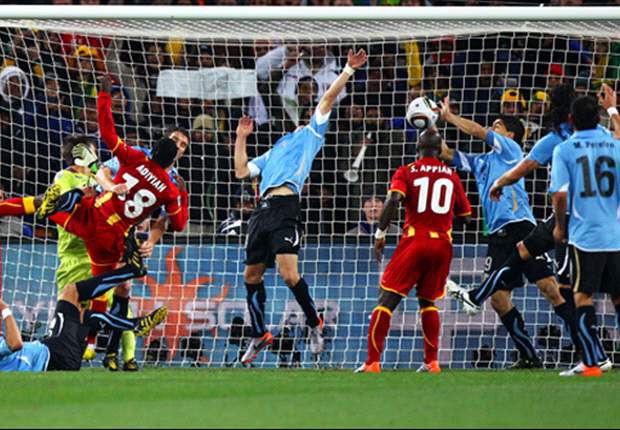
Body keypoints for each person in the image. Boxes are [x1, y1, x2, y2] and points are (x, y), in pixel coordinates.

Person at [454, 83, 620, 374]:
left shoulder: (559, 143)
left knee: (570, 292)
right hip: (609, 224)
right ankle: (478, 298)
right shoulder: (608, 139)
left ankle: (594, 357)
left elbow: (539, 178)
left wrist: (500, 183)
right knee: (532, 261)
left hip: (573, 223)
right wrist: (613, 109)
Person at [233, 48, 367, 365]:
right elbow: (241, 171)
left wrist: (348, 70)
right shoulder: (276, 147)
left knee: (289, 275)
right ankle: (259, 334)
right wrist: (241, 137)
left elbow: (327, 99)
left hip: (286, 207)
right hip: (261, 212)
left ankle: (314, 322)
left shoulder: (312, 134)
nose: (307, 114)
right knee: (251, 276)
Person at [439, 96, 571, 369]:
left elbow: (478, 131)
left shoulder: (511, 150)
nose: (492, 127)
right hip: (497, 234)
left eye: (497, 125)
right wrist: (428, 123)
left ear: (510, 134)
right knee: (499, 300)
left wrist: (450, 117)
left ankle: (585, 345)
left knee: (549, 288)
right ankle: (529, 356)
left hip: (520, 225)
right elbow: (447, 153)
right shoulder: (481, 161)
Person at [36, 74, 189, 288]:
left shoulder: (170, 178)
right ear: (164, 140)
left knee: (121, 287)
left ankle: (49, 207)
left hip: (118, 229)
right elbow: (102, 171)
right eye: (175, 140)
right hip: (97, 210)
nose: (178, 146)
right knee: (86, 277)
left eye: (183, 145)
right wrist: (111, 187)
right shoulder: (150, 165)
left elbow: (165, 221)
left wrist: (151, 241)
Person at [355, 130, 472, 374]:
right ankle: (432, 362)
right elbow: (466, 216)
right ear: (439, 151)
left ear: (417, 149)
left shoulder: (407, 171)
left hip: (415, 240)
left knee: (387, 300)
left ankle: (372, 362)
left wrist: (380, 234)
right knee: (428, 301)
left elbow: (394, 199)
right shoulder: (451, 175)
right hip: (442, 244)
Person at [549, 95, 620, 377]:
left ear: (570, 120)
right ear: (598, 119)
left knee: (582, 296)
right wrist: (613, 108)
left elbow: (559, 194)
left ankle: (591, 363)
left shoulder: (565, 149)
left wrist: (559, 227)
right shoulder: (615, 145)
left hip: (585, 236)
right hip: (616, 234)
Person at [0, 264, 167, 372]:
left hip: (58, 354)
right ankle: (131, 271)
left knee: (82, 315)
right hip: (54, 354)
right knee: (71, 291)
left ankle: (134, 325)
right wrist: (5, 309)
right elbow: (16, 344)